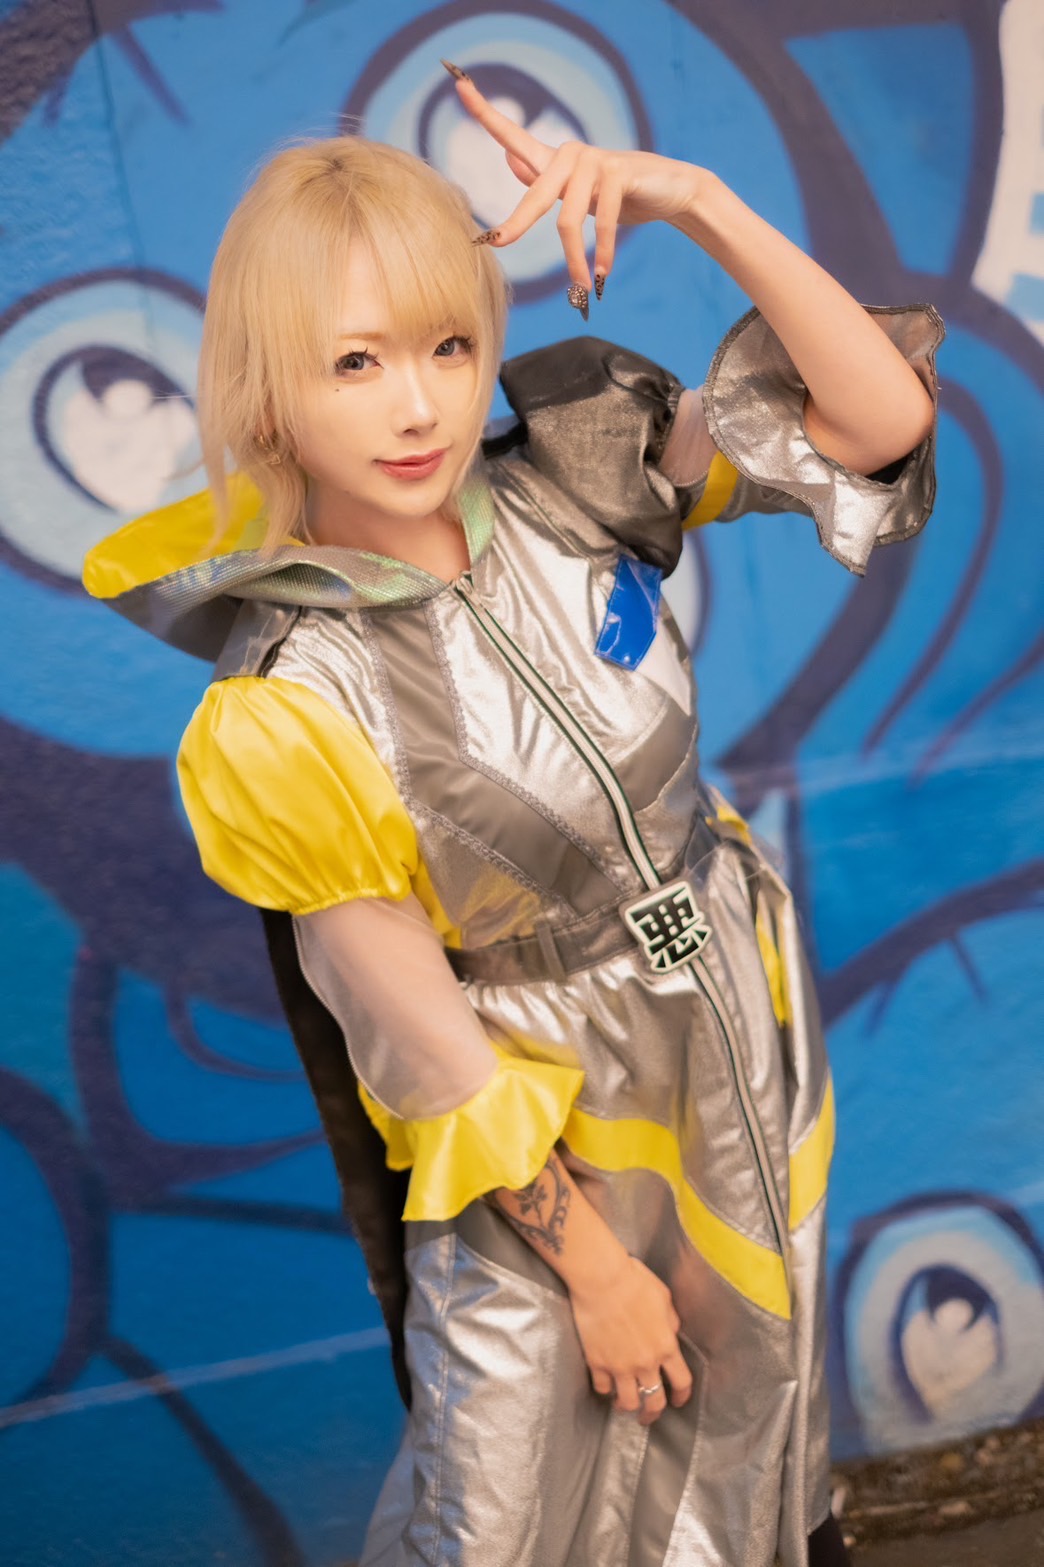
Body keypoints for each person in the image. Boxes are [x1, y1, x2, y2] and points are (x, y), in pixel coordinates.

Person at [83, 61, 942, 1567]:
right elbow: (416, 1035)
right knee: (514, 1507)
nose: (420, 404)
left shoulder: (577, 481)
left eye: (448, 344)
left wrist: (697, 199)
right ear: (268, 387)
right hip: (541, 1120)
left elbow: (872, 423)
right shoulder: (288, 702)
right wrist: (590, 1265)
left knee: (750, 1462)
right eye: (355, 362)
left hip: (730, 1030)